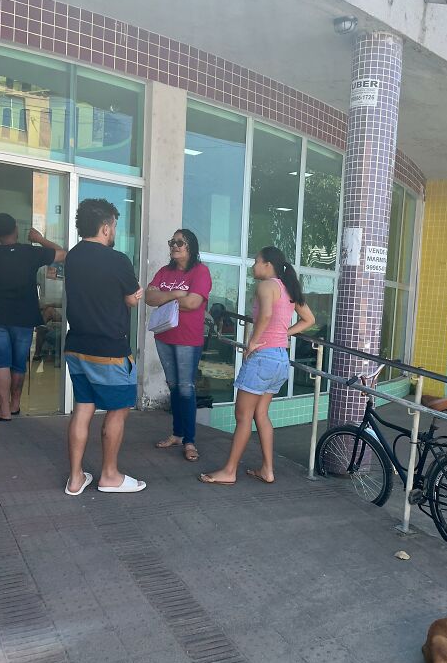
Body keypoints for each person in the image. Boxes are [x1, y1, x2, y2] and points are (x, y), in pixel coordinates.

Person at [199, 246, 314, 485]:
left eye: (256, 261)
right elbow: (309, 320)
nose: (253, 266)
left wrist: (252, 343)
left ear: (267, 265)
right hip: (280, 358)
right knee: (261, 414)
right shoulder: (288, 288)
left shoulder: (266, 286)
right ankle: (267, 470)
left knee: (242, 416)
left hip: (263, 358)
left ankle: (229, 471)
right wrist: (285, 334)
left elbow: (265, 316)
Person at [63, 198, 145, 496]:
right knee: (117, 410)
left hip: (77, 346)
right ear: (106, 227)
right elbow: (130, 299)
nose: (114, 233)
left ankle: (75, 478)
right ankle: (109, 475)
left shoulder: (72, 257)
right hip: (109, 349)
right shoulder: (118, 260)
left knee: (82, 409)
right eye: (114, 227)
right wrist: (133, 297)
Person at [0, 212, 66, 421]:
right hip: (24, 318)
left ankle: (3, 410)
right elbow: (63, 254)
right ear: (15, 228)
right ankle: (15, 405)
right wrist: (39, 239)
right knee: (18, 363)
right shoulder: (30, 253)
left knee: (0, 363)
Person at [146, 228, 212, 462]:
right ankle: (177, 434)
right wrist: (176, 294)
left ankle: (190, 440)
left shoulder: (200, 272)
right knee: (173, 386)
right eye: (172, 241)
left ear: (190, 247)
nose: (174, 245)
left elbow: (194, 302)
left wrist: (166, 296)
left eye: (180, 242)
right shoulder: (165, 271)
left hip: (188, 339)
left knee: (186, 388)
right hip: (164, 336)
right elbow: (148, 297)